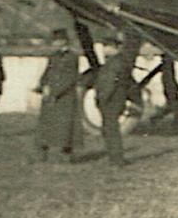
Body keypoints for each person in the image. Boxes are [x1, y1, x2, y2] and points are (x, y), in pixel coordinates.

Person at [89, 36, 139, 166]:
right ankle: (114, 157)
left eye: (108, 47)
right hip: (110, 99)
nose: (105, 50)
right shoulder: (115, 61)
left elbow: (111, 83)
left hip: (112, 99)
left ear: (116, 48)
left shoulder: (117, 63)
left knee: (111, 129)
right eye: (105, 47)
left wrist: (102, 98)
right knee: (109, 128)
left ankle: (117, 158)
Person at [35, 29, 82, 162]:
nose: (54, 44)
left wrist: (57, 92)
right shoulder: (53, 56)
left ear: (63, 41)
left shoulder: (73, 57)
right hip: (50, 95)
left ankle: (66, 154)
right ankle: (42, 153)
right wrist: (42, 85)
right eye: (54, 41)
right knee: (45, 125)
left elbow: (71, 77)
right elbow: (47, 71)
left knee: (66, 127)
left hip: (65, 96)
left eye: (56, 41)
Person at [150, 56, 178, 127]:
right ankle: (176, 123)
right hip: (171, 88)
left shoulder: (166, 68)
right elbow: (170, 79)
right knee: (175, 108)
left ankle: (155, 118)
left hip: (171, 87)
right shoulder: (167, 68)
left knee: (171, 107)